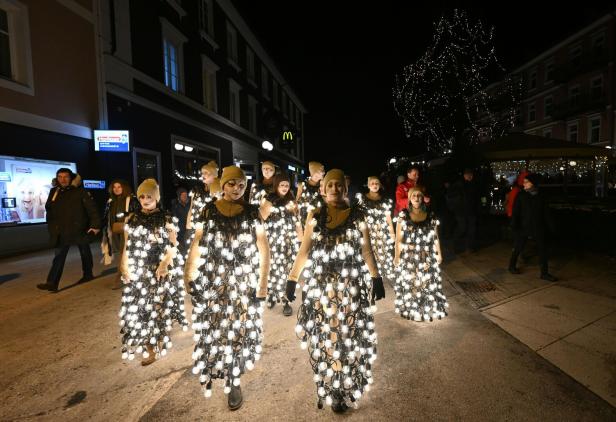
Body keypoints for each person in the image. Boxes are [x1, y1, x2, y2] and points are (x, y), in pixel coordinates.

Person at [285, 169, 384, 413]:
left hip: (350, 286)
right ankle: (336, 382)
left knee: (349, 333)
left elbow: (367, 250)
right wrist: (292, 279)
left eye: (339, 185)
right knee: (330, 333)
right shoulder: (315, 216)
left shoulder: (357, 216)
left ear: (345, 188)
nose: (334, 189)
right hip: (322, 286)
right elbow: (305, 250)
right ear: (323, 189)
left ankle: (343, 381)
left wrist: (376, 276)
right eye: (330, 185)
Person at [184, 166, 270, 410]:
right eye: (232, 184)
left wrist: (262, 284)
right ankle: (222, 370)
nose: (236, 188)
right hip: (213, 280)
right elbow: (198, 243)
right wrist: (188, 274)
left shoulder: (253, 213)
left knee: (238, 330)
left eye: (241, 184)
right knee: (216, 329)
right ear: (222, 185)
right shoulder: (209, 211)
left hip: (243, 282)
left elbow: (263, 248)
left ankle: (233, 379)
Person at [119, 179, 188, 366]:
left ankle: (155, 345)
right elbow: (127, 245)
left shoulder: (166, 219)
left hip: (159, 271)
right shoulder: (131, 219)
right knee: (140, 309)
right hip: (138, 270)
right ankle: (148, 343)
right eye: (141, 196)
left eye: (149, 196)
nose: (145, 199)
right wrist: (124, 265)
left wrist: (164, 263)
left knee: (156, 309)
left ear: (156, 197)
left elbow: (174, 246)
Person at [37, 169, 100, 292]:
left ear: (71, 178)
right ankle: (52, 283)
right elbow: (49, 210)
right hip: (62, 230)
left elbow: (92, 209)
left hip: (80, 228)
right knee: (59, 256)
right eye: (60, 177)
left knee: (84, 252)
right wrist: (52, 227)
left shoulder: (80, 191)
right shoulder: (54, 191)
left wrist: (95, 225)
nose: (63, 179)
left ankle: (88, 274)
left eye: (66, 177)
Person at [394, 187, 448, 321]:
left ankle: (424, 305)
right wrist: (397, 256)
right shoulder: (403, 215)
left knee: (426, 281)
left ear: (423, 197)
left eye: (419, 195)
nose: (417, 198)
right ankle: (415, 307)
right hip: (410, 255)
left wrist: (439, 253)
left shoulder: (430, 215)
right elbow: (398, 239)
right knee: (412, 281)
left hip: (427, 254)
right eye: (414, 195)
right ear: (410, 198)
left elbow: (435, 236)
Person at [259, 173, 303, 316]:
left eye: (287, 185)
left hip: (289, 244)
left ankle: (286, 301)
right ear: (276, 185)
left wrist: (300, 239)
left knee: (287, 272)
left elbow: (297, 221)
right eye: (281, 185)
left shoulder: (292, 201)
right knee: (272, 271)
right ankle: (271, 294)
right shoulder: (269, 199)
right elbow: (260, 219)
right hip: (273, 243)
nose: (284, 187)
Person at [508, 173, 558, 281]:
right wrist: (514, 225)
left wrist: (552, 226)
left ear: (533, 184)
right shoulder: (521, 195)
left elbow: (546, 213)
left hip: (538, 227)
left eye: (526, 182)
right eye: (524, 182)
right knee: (518, 247)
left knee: (542, 250)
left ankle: (544, 273)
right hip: (523, 227)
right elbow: (516, 212)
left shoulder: (541, 196)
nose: (524, 184)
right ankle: (511, 266)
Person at [101, 179, 140, 289]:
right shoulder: (110, 201)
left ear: (124, 188)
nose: (116, 189)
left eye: (119, 187)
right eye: (114, 187)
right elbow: (106, 217)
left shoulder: (131, 200)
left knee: (125, 255)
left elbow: (137, 214)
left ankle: (119, 278)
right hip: (115, 231)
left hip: (128, 231)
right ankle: (129, 275)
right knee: (122, 255)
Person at [357, 176, 395, 281]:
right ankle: (370, 270)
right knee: (369, 250)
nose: (375, 185)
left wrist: (392, 231)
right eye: (372, 183)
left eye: (377, 183)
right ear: (368, 185)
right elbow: (360, 216)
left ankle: (383, 270)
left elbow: (388, 216)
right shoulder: (363, 199)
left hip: (381, 230)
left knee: (382, 250)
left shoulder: (384, 199)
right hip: (368, 231)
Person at [446, 168, 481, 253]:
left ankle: (469, 247)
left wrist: (481, 206)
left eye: (470, 174)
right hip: (461, 211)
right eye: (467, 174)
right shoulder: (458, 185)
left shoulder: (475, 184)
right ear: (464, 175)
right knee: (462, 228)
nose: (469, 176)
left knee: (471, 230)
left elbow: (478, 197)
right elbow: (451, 196)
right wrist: (455, 207)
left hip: (471, 211)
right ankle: (454, 245)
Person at [296, 161, 325, 226]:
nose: (324, 172)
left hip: (319, 220)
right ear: (315, 172)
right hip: (304, 220)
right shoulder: (302, 185)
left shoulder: (322, 185)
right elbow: (297, 201)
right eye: (322, 170)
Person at [171, 187, 190, 253]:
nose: (185, 196)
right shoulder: (176, 206)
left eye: (186, 195)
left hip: (188, 228)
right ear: (179, 196)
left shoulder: (190, 205)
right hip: (180, 230)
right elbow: (174, 217)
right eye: (183, 195)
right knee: (182, 247)